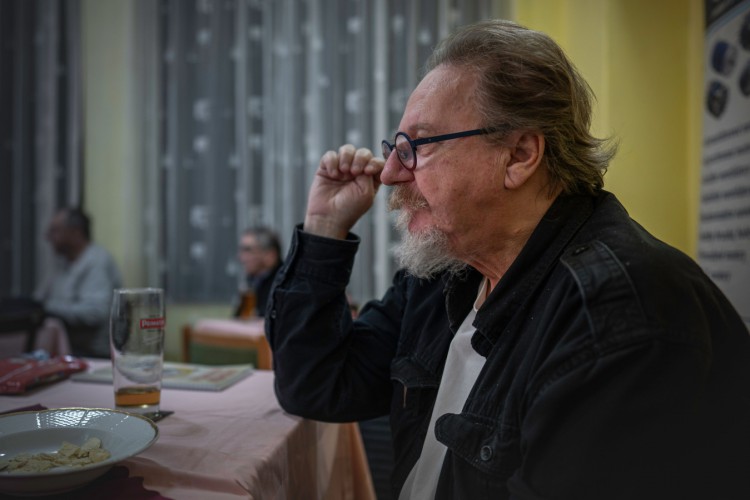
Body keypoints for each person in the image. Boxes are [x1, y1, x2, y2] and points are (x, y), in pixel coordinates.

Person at [266, 19, 750, 500]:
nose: (390, 173)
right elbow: (317, 384)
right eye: (395, 148)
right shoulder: (449, 268)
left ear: (519, 155)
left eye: (416, 147)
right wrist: (324, 226)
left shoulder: (616, 313)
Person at [33, 207, 122, 358]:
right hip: (66, 349)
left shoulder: (96, 261)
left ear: (76, 232)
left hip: (91, 354)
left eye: (55, 231)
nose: (48, 237)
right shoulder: (62, 263)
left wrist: (46, 308)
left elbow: (95, 313)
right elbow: (40, 299)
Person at [235, 226, 283, 318]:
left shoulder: (285, 286)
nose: (241, 257)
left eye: (248, 250)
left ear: (270, 255)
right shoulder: (252, 282)